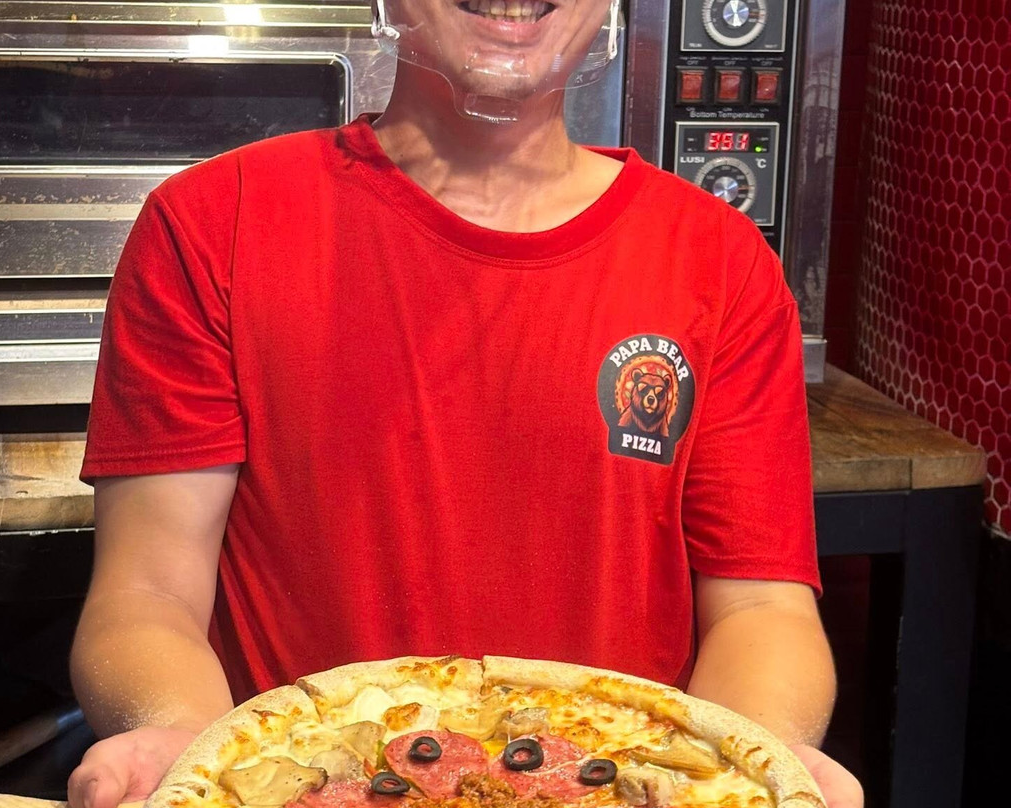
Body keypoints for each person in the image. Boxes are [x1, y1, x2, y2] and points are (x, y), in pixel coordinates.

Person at [67, 2, 863, 808]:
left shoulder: (721, 262)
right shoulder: (213, 224)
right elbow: (150, 594)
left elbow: (759, 607)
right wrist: (181, 745)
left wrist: (754, 768)